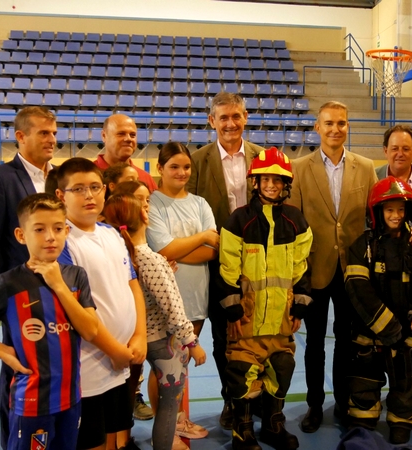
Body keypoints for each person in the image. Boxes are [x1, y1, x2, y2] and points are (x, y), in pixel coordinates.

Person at [0, 193, 100, 450]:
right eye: (39, 229)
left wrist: (59, 286)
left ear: (67, 231)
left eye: (58, 228)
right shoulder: (8, 283)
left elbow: (90, 330)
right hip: (30, 402)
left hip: (70, 398)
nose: (50, 236)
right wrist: (3, 351)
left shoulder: (75, 276)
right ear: (20, 235)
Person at [287, 101, 380, 433]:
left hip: (353, 269)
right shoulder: (299, 168)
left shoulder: (366, 167)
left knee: (346, 340)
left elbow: (373, 220)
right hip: (314, 270)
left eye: (341, 123)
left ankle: (342, 400)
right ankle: (314, 404)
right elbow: (294, 223)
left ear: (347, 126)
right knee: (313, 342)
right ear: (317, 127)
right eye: (329, 123)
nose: (335, 129)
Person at [0, 105, 56, 449]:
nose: (51, 139)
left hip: (60, 290)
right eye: (43, 133)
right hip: (20, 296)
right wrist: (1, 295)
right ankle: (15, 440)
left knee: (55, 368)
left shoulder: (59, 177)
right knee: (20, 370)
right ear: (21, 137)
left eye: (53, 132)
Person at [219, 148, 312, 450]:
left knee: (281, 369)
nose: (271, 184)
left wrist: (299, 305)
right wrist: (233, 313)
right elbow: (227, 269)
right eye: (265, 179)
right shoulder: (239, 220)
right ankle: (242, 431)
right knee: (242, 375)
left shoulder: (297, 221)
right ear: (255, 183)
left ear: (286, 184)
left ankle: (274, 425)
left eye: (277, 179)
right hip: (246, 320)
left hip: (281, 321)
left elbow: (301, 268)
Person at [102, 194, 207, 450]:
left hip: (129, 336)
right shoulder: (149, 258)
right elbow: (173, 308)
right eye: (145, 207)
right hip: (162, 340)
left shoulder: (120, 257)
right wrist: (192, 342)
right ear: (144, 217)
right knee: (170, 405)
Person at [55, 158, 147, 450]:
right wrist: (114, 350)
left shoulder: (112, 234)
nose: (89, 195)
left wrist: (140, 335)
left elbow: (132, 285)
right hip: (89, 368)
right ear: (61, 195)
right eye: (78, 189)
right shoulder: (63, 243)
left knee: (116, 438)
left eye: (95, 187)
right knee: (91, 442)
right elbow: (77, 310)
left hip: (120, 363)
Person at [187, 92, 265, 427]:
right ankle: (231, 399)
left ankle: (258, 396)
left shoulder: (263, 157)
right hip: (217, 262)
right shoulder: (198, 161)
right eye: (223, 118)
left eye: (236, 116)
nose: (231, 124)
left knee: (259, 332)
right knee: (224, 336)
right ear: (212, 121)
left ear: (245, 117)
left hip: (262, 261)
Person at [344, 176, 412, 445]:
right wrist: (388, 327)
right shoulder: (362, 246)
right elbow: (358, 289)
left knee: (408, 382)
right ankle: (364, 418)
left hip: (408, 337)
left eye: (400, 209)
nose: (395, 215)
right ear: (377, 212)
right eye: (389, 210)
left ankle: (401, 419)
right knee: (364, 380)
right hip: (369, 335)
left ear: (409, 212)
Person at [147, 142, 218, 437]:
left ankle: (177, 421)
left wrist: (175, 250)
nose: (181, 172)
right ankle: (165, 426)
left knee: (181, 365)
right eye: (174, 166)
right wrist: (199, 237)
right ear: (160, 169)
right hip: (163, 300)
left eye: (186, 167)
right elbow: (161, 249)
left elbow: (213, 250)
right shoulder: (152, 203)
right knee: (164, 367)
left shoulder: (200, 203)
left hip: (196, 295)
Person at [95, 114, 157, 193]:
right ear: (104, 136)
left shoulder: (146, 179)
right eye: (121, 133)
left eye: (132, 135)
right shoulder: (88, 174)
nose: (128, 139)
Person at [375, 125, 412, 213]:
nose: (400, 154)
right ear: (385, 151)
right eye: (395, 149)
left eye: (406, 149)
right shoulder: (372, 176)